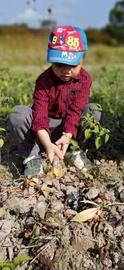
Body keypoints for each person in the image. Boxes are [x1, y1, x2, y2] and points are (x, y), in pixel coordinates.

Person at [6, 26, 100, 176]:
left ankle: (73, 150)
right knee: (17, 113)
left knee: (94, 110)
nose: (66, 70)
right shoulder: (43, 80)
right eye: (59, 65)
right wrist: (48, 144)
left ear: (83, 59)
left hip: (69, 130)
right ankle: (32, 155)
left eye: (73, 65)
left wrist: (68, 136)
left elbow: (76, 111)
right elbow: (40, 115)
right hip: (43, 129)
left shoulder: (84, 79)